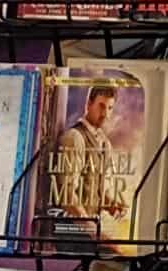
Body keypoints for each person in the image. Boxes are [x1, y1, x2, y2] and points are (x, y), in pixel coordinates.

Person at [51, 82, 127, 231]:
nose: (105, 114)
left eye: (110, 108)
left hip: (90, 231)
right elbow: (66, 195)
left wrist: (111, 204)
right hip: (71, 231)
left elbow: (95, 191)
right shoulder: (74, 138)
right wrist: (91, 230)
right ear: (88, 104)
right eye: (101, 106)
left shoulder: (105, 143)